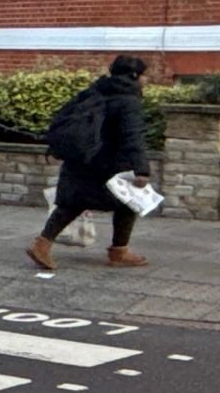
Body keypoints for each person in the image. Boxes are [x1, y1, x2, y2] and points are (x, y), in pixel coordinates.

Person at [27, 54, 156, 274]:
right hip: (110, 164)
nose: (147, 80)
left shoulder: (95, 90)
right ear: (134, 75)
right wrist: (141, 169)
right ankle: (119, 250)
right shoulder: (128, 100)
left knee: (72, 204)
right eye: (145, 75)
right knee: (128, 202)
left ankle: (43, 243)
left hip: (82, 158)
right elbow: (132, 136)